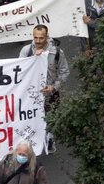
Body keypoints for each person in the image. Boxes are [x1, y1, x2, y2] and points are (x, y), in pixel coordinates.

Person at [18, 25, 69, 153]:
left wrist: (54, 87)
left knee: (50, 117)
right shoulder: (26, 51)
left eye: (41, 38)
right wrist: (33, 59)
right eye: (35, 37)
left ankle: (50, 138)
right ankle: (31, 139)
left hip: (51, 92)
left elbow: (64, 72)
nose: (38, 41)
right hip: (31, 92)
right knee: (31, 116)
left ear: (47, 37)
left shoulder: (57, 52)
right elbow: (19, 70)